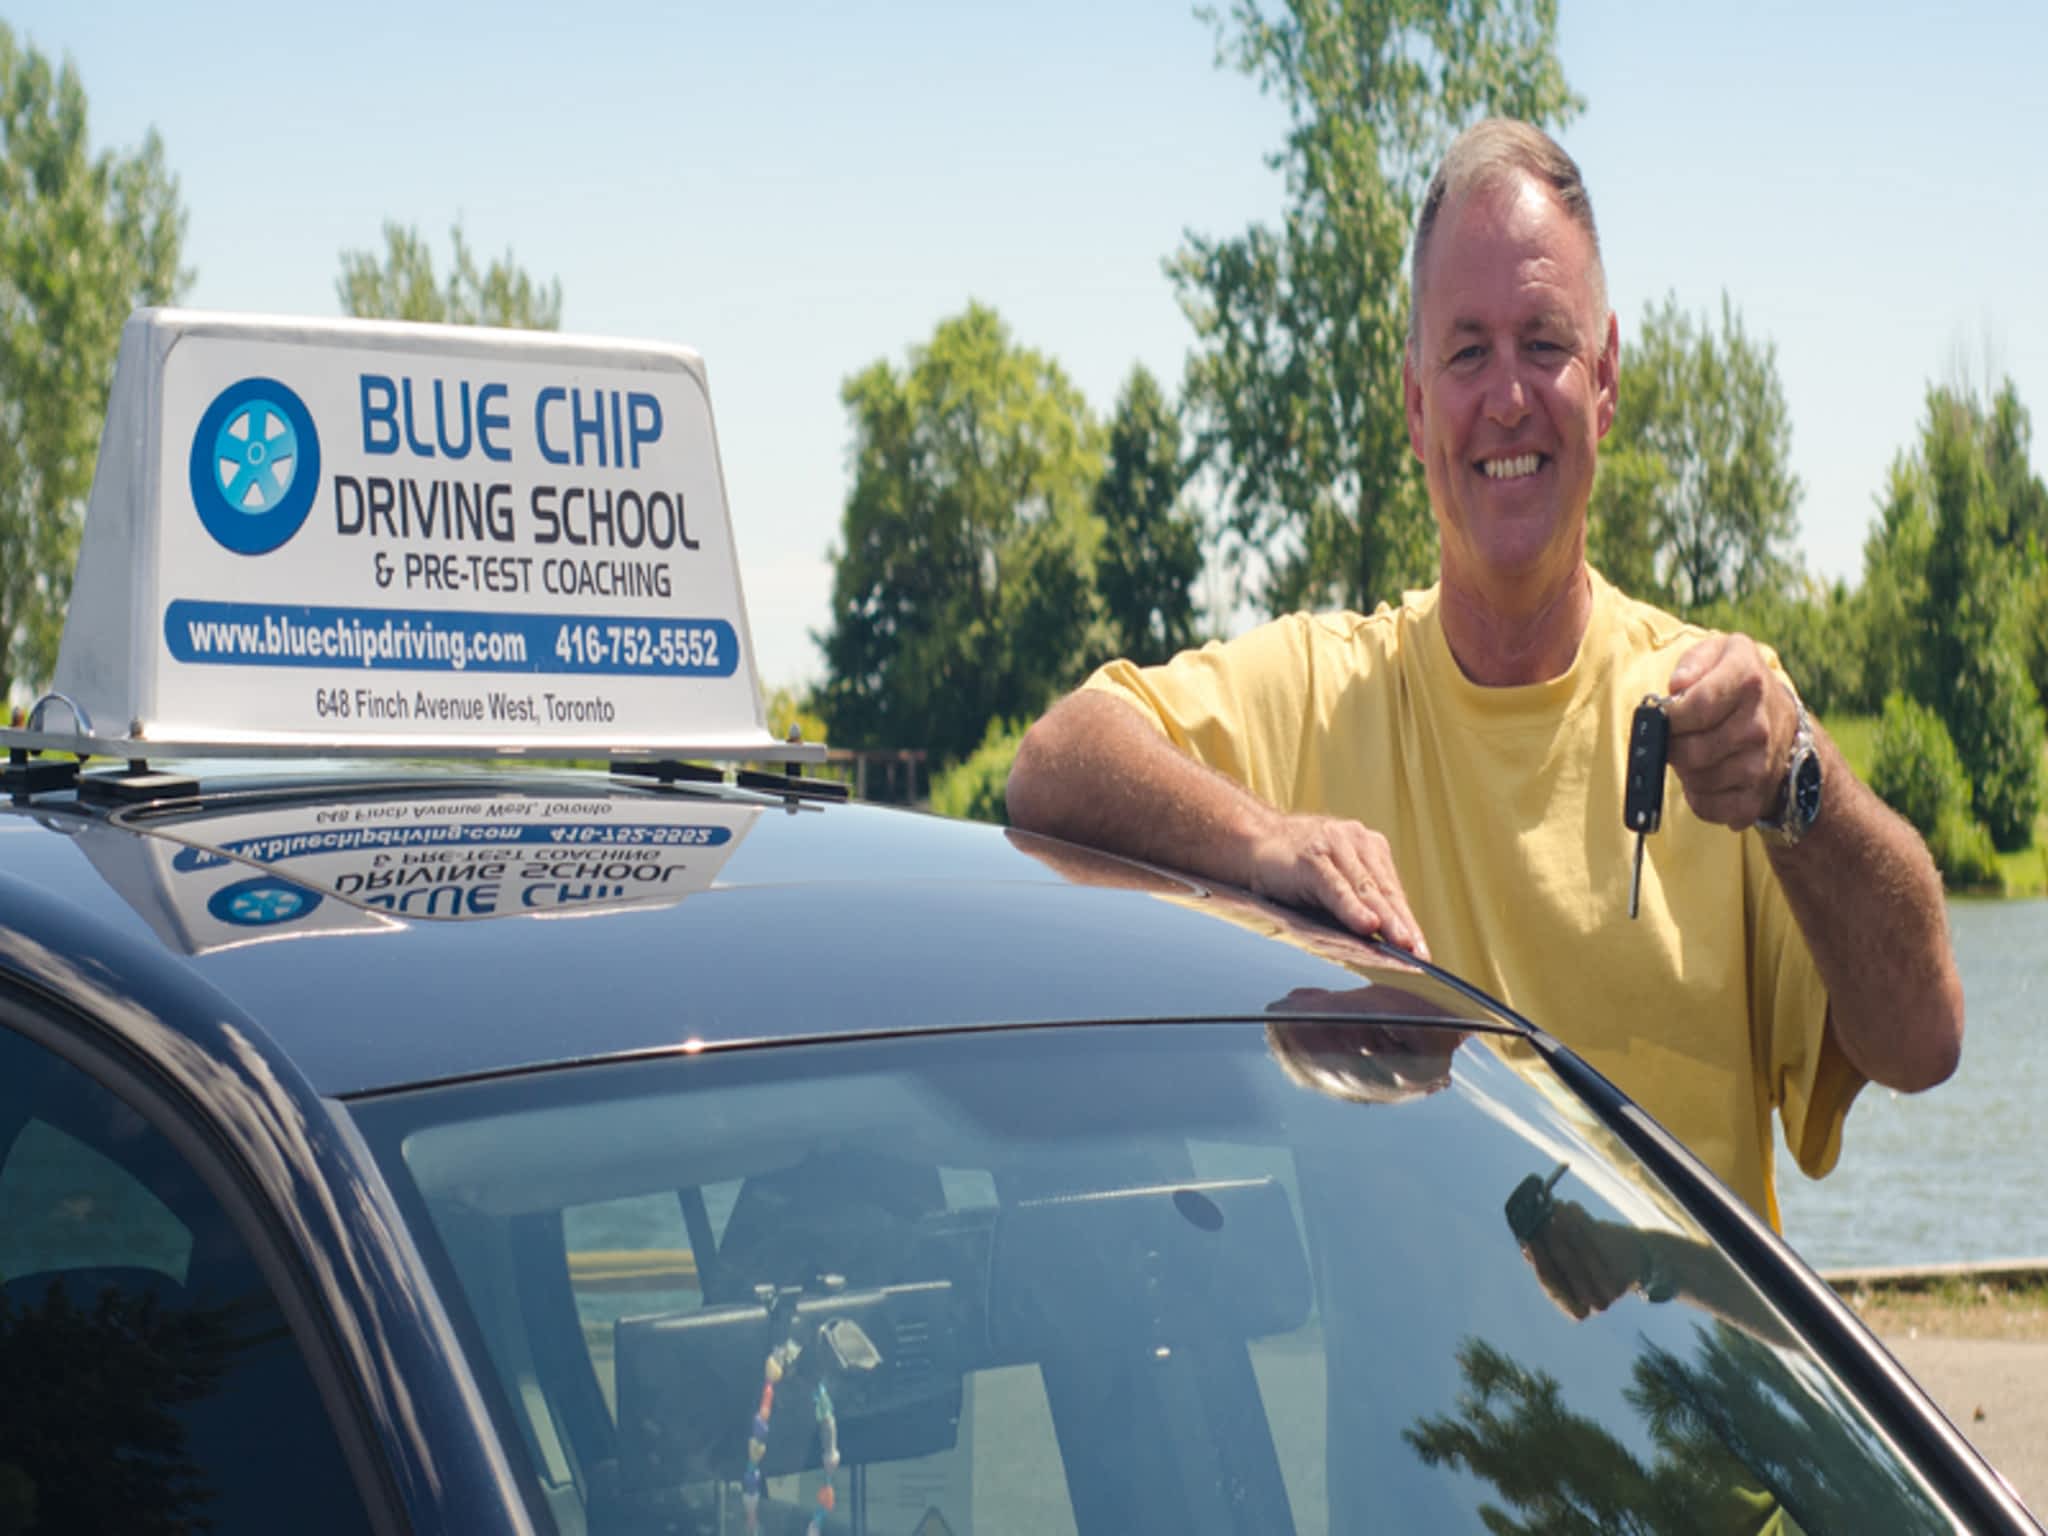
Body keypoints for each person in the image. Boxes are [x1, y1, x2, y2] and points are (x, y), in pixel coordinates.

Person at [1006, 118, 1962, 1230]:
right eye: (1465, 351)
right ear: (1415, 406)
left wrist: (1805, 783)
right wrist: (1266, 845)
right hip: (1405, 1416)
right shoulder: (1319, 692)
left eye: (1542, 343)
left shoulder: (1730, 729)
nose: (1506, 397)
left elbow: (1921, 1042)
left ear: (1604, 381)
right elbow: (1053, 764)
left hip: (1678, 1406)